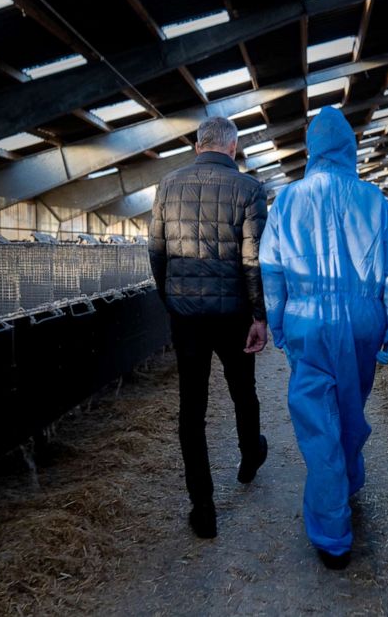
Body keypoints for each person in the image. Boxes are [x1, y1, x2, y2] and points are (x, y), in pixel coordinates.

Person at [259, 107, 388, 570]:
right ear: (350, 149)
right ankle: (348, 485)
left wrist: (279, 323)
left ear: (311, 150)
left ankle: (331, 534)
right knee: (350, 408)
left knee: (317, 424)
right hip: (363, 322)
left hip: (308, 320)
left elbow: (272, 270)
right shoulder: (373, 200)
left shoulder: (287, 201)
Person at [149, 116, 269, 539]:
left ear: (198, 145)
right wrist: (259, 316)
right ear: (232, 149)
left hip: (187, 315)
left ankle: (203, 508)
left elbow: (157, 252)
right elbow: (253, 261)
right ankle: (251, 454)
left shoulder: (167, 185)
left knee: (192, 409)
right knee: (243, 390)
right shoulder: (250, 190)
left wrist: (172, 300)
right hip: (234, 313)